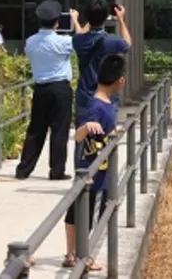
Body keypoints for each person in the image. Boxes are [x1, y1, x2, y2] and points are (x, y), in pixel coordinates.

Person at [63, 53, 125, 270]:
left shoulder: (104, 103)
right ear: (120, 81)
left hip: (98, 169)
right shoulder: (97, 106)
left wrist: (112, 131)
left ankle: (75, 254)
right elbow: (78, 135)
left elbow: (102, 130)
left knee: (82, 212)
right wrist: (86, 127)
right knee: (85, 213)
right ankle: (80, 255)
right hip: (93, 170)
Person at [16, 0, 87, 181]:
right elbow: (82, 39)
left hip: (40, 88)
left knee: (35, 130)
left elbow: (29, 53)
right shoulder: (63, 41)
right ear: (57, 22)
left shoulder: (31, 41)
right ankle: (56, 171)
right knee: (59, 130)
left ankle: (23, 169)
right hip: (60, 88)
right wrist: (75, 19)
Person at [72, 0, 132, 110]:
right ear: (106, 17)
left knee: (84, 127)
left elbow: (80, 34)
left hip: (85, 95)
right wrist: (120, 19)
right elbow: (127, 43)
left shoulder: (78, 41)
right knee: (106, 126)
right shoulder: (112, 41)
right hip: (106, 95)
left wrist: (77, 20)